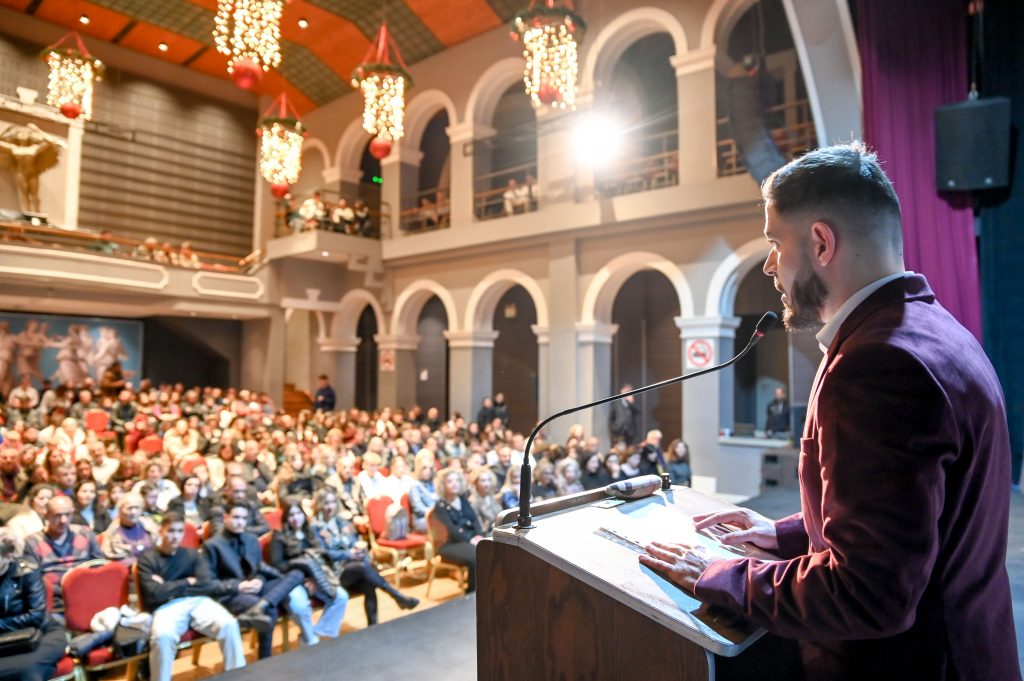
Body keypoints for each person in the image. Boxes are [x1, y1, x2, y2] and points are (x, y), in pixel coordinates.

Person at [638, 142, 1020, 680]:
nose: (770, 265)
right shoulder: (936, 331)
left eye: (775, 243)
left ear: (820, 242)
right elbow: (913, 514)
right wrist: (788, 534)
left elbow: (870, 595)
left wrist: (723, 575)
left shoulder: (878, 365)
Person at [137, 513, 248, 681]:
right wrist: (187, 582)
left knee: (229, 624)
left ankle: (238, 677)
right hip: (166, 606)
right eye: (171, 531)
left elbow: (205, 584)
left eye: (179, 531)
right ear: (161, 531)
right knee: (162, 637)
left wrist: (167, 586)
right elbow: (153, 594)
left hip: (197, 601)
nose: (175, 536)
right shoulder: (147, 559)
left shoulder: (192, 554)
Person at [204, 501, 314, 657]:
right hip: (233, 593)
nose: (240, 522)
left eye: (244, 518)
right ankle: (265, 657)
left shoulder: (250, 539)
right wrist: (239, 586)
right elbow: (209, 583)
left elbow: (258, 569)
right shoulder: (212, 545)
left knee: (297, 573)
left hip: (256, 587)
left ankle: (262, 604)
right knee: (270, 610)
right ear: (225, 517)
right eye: (236, 517)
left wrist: (259, 580)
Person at [308, 488, 417, 626]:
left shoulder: (340, 521)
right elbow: (323, 553)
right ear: (319, 505)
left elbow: (353, 541)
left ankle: (374, 625)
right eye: (326, 503)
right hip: (330, 572)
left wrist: (357, 550)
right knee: (363, 568)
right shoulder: (314, 527)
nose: (330, 507)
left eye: (332, 502)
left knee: (368, 582)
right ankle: (396, 595)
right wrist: (348, 553)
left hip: (351, 566)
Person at [0, 527, 69, 681]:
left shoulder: (27, 572)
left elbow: (35, 616)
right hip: (4, 640)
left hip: (40, 634)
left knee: (28, 671)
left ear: (8, 555)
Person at [24, 495, 103, 609]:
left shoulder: (85, 533)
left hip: (88, 595)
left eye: (67, 514)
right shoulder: (32, 542)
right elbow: (31, 580)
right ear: (46, 515)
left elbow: (99, 565)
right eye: (57, 515)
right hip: (54, 602)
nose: (63, 520)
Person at [433, 467, 483, 593]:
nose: (454, 483)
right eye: (450, 481)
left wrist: (478, 535)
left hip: (469, 538)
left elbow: (474, 519)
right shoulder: (440, 506)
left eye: (457, 480)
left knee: (492, 547)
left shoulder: (462, 499)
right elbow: (451, 530)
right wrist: (471, 539)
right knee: (476, 555)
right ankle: (472, 592)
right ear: (443, 485)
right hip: (449, 543)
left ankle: (487, 587)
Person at [99, 492, 159, 565]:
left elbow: (158, 546)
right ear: (120, 510)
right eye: (129, 508)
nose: (134, 512)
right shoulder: (115, 530)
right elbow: (118, 558)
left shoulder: (148, 524)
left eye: (137, 507)